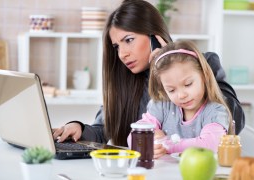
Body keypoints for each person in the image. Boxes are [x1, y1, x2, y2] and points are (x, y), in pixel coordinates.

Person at [53, 0, 244, 147]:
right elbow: (104, 129)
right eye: (116, 46)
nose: (122, 54)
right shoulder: (124, 81)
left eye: (129, 40)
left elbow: (233, 116)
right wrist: (78, 128)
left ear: (154, 36)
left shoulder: (203, 63)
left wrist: (167, 70)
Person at [128, 40, 232, 158]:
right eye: (171, 90)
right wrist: (147, 144)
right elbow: (134, 136)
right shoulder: (162, 106)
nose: (181, 95)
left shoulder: (215, 112)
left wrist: (166, 145)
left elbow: (209, 145)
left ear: (204, 76)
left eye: (188, 84)